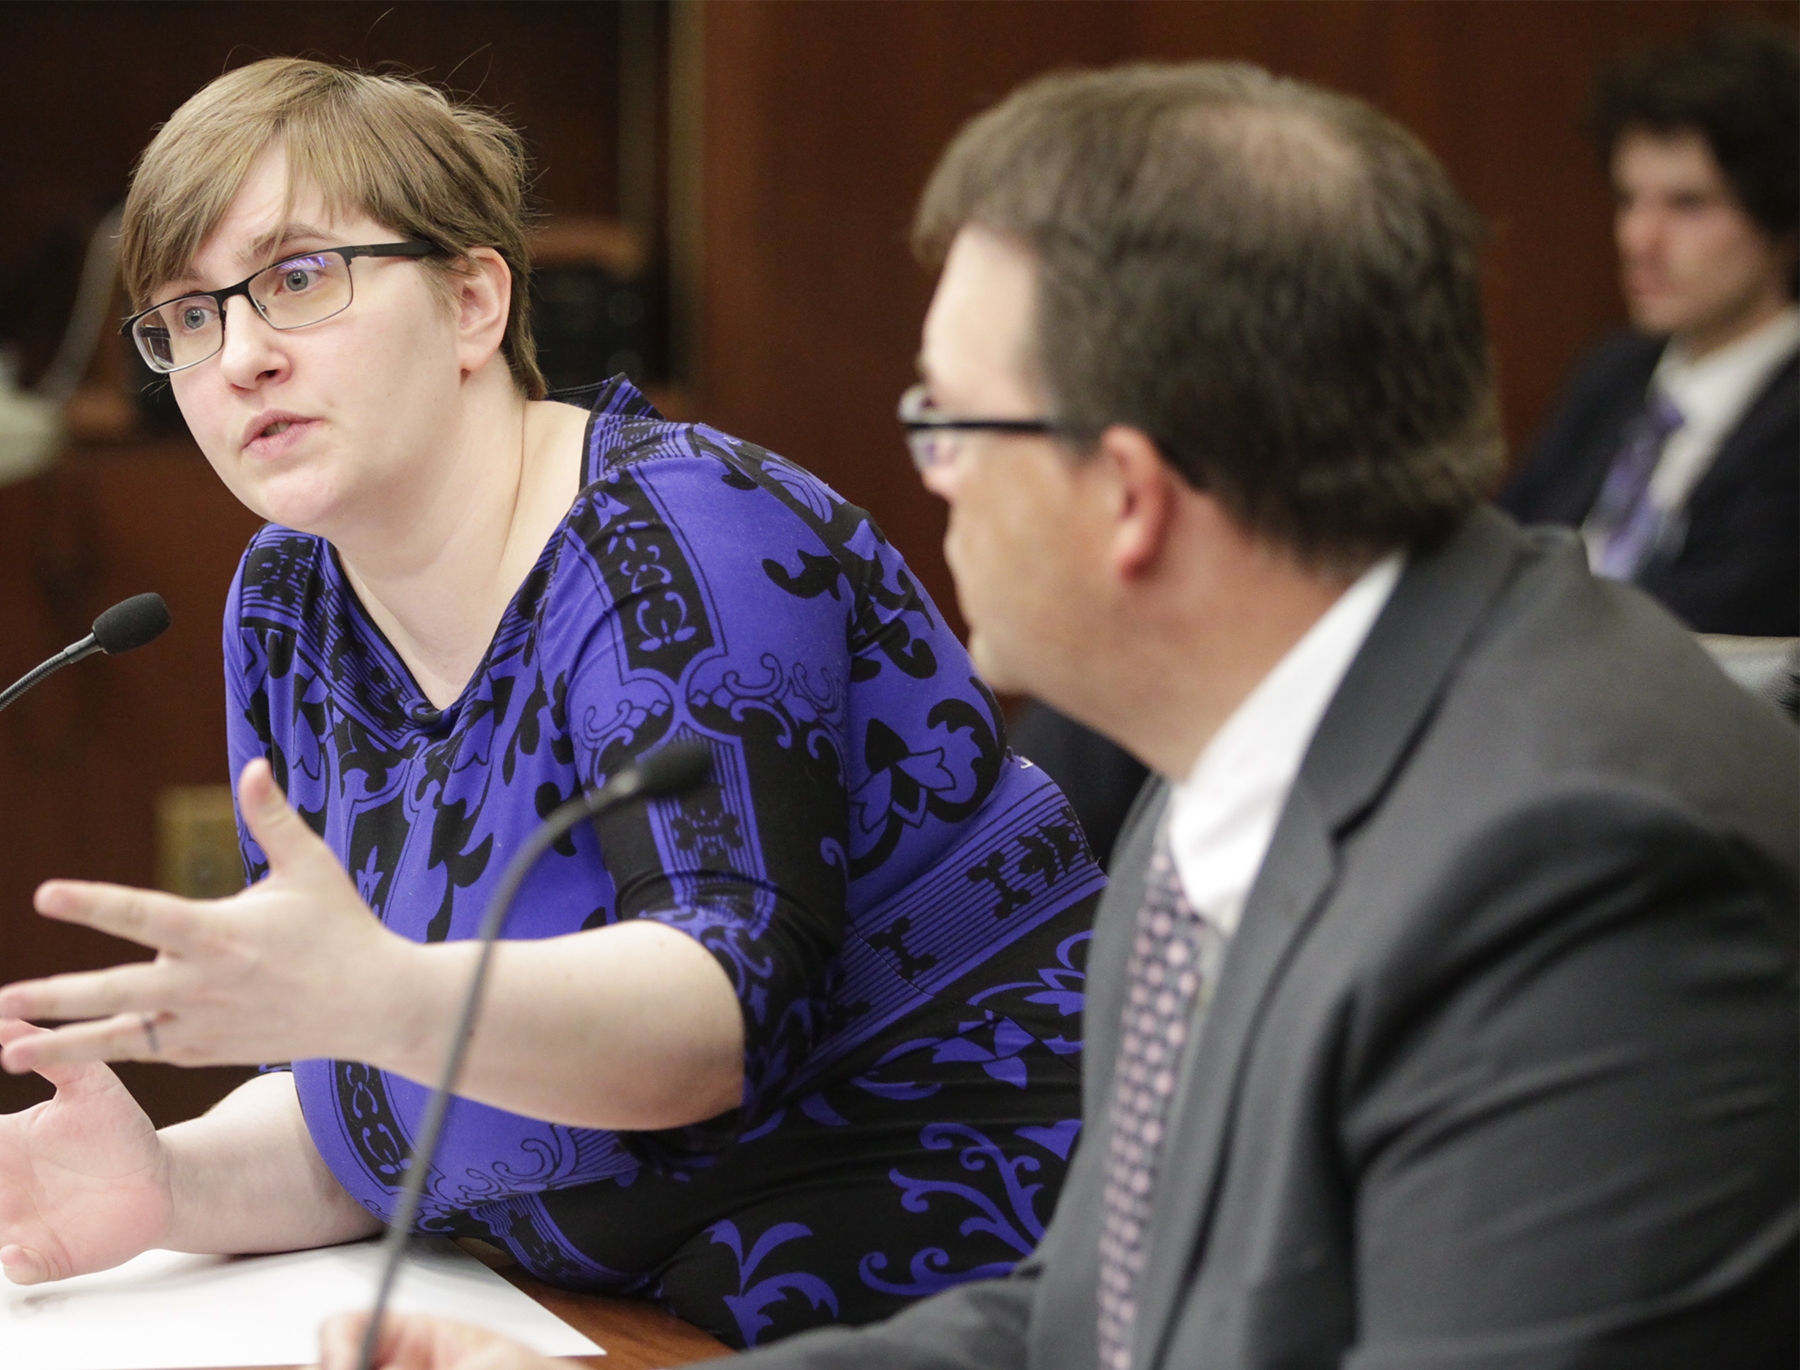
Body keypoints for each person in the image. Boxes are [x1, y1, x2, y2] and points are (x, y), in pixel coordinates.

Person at [326, 62, 1798, 1370]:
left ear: (1134, 494)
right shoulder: (1222, 780)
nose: (934, 475)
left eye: (948, 420)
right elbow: (1087, 1324)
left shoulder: (1572, 871)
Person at [0, 58, 1107, 1350]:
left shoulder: (679, 539)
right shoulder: (290, 609)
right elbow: (390, 1109)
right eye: (186, 318)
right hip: (575, 1312)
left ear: (472, 301)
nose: (242, 358)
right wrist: (173, 1181)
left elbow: (723, 1017)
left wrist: (378, 998)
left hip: (941, 1297)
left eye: (297, 278)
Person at [1500, 22, 1798, 636]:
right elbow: (1500, 550)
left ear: (1784, 219)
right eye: (1627, 200)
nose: (1638, 239)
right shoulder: (1616, 370)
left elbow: (1697, 641)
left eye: (1688, 204)